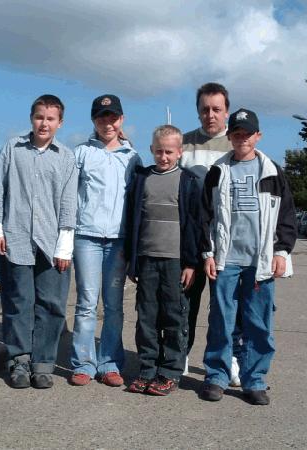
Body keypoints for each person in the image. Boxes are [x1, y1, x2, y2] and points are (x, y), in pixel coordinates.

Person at [199, 108, 296, 405]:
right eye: (236, 134)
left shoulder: (272, 171)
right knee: (221, 320)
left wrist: (281, 251)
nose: (242, 139)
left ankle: (254, 380)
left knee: (258, 323)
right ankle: (217, 376)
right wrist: (208, 253)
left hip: (261, 262)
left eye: (247, 134)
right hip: (226, 260)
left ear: (258, 135)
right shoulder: (217, 171)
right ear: (229, 137)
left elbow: (287, 215)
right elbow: (205, 216)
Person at [0, 94, 78, 389]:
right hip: (16, 237)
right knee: (18, 302)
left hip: (51, 242)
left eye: (51, 119)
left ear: (60, 123)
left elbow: (68, 202)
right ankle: (19, 361)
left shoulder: (65, 157)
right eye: (40, 117)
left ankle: (43, 363)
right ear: (31, 118)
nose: (44, 123)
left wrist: (65, 244)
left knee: (51, 304)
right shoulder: (12, 149)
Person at [69, 94, 142, 387]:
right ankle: (83, 363)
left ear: (121, 120)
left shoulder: (132, 157)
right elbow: (69, 196)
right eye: (101, 117)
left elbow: (138, 201)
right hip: (86, 236)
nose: (107, 122)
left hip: (118, 240)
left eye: (112, 117)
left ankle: (110, 362)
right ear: (93, 121)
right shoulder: (81, 153)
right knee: (86, 303)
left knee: (113, 305)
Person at [124, 125, 200, 396]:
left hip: (175, 263)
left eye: (169, 152)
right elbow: (133, 221)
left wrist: (191, 263)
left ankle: (169, 372)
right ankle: (146, 368)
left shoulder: (188, 181)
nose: (164, 157)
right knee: (146, 317)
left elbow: (194, 225)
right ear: (151, 150)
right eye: (159, 151)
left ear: (179, 152)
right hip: (146, 259)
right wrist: (131, 262)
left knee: (174, 317)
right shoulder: (142, 178)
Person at [180, 82, 243, 386]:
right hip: (191, 240)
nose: (210, 114)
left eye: (216, 109)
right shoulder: (185, 143)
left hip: (224, 240)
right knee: (185, 303)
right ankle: (181, 354)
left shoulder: (237, 145)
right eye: (205, 109)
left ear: (227, 111)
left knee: (224, 307)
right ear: (198, 111)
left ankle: (225, 359)